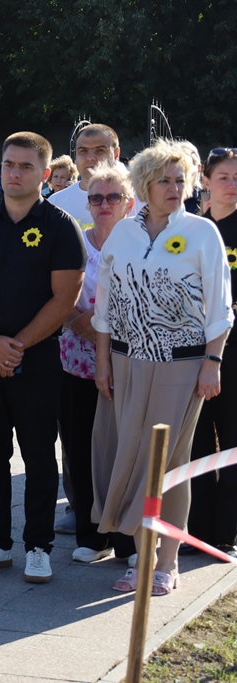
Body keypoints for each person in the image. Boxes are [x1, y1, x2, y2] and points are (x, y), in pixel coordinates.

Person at [92, 140, 232, 595]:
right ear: (144, 185)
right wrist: (102, 362)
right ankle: (141, 558)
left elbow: (221, 308)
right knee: (132, 459)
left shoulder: (201, 232)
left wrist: (212, 362)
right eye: (164, 180)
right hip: (126, 361)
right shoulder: (123, 234)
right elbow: (104, 307)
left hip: (183, 364)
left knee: (169, 462)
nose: (174, 188)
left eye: (180, 180)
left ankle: (167, 563)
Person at [0, 131, 85, 584]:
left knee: (39, 456)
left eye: (26, 166)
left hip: (39, 362)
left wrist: (15, 347)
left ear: (45, 174)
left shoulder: (61, 227)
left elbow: (64, 300)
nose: (15, 173)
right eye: (9, 164)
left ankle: (38, 546)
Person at [48, 123, 138, 536]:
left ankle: (123, 523)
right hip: (75, 350)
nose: (91, 157)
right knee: (77, 437)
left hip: (126, 353)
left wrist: (100, 320)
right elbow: (48, 276)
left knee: (123, 440)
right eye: (83, 150)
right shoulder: (60, 205)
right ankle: (82, 513)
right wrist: (72, 318)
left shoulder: (140, 211)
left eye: (100, 149)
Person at [185, 147, 237, 560]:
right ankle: (197, 530)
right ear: (205, 180)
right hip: (190, 354)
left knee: (232, 443)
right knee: (196, 443)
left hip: (233, 355)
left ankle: (226, 533)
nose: (232, 185)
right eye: (224, 177)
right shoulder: (194, 230)